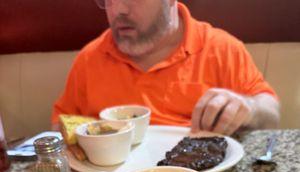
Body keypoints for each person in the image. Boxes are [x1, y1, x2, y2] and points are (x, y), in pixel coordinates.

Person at [52, 0, 280, 135]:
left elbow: (271, 114)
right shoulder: (90, 58)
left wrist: (249, 107)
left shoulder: (220, 47)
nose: (118, 9)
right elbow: (59, 125)